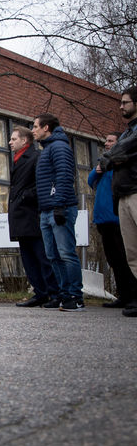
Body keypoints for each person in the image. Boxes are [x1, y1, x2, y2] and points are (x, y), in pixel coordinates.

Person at [33, 113, 84, 312]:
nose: (33, 130)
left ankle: (75, 296)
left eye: (36, 126)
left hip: (59, 208)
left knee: (66, 253)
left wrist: (59, 205)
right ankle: (63, 295)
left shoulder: (59, 147)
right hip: (46, 210)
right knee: (52, 255)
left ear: (46, 128)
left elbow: (64, 175)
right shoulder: (46, 149)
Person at [8, 127, 59, 307]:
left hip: (32, 214)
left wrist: (25, 196)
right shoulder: (16, 159)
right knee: (28, 258)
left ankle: (54, 293)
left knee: (42, 256)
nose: (10, 142)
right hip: (20, 215)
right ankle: (40, 293)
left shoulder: (35, 157)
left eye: (14, 139)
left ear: (25, 141)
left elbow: (44, 184)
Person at [99, 86, 137, 317]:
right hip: (122, 194)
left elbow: (112, 156)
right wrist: (113, 158)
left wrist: (113, 158)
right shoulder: (127, 132)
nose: (121, 106)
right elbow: (109, 160)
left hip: (135, 190)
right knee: (131, 253)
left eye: (125, 102)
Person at [89, 132, 137, 309]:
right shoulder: (103, 167)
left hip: (117, 218)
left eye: (111, 141)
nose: (107, 144)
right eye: (106, 141)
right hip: (102, 220)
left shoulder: (117, 167)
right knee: (114, 261)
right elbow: (90, 180)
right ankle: (123, 295)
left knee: (126, 258)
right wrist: (97, 169)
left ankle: (132, 295)